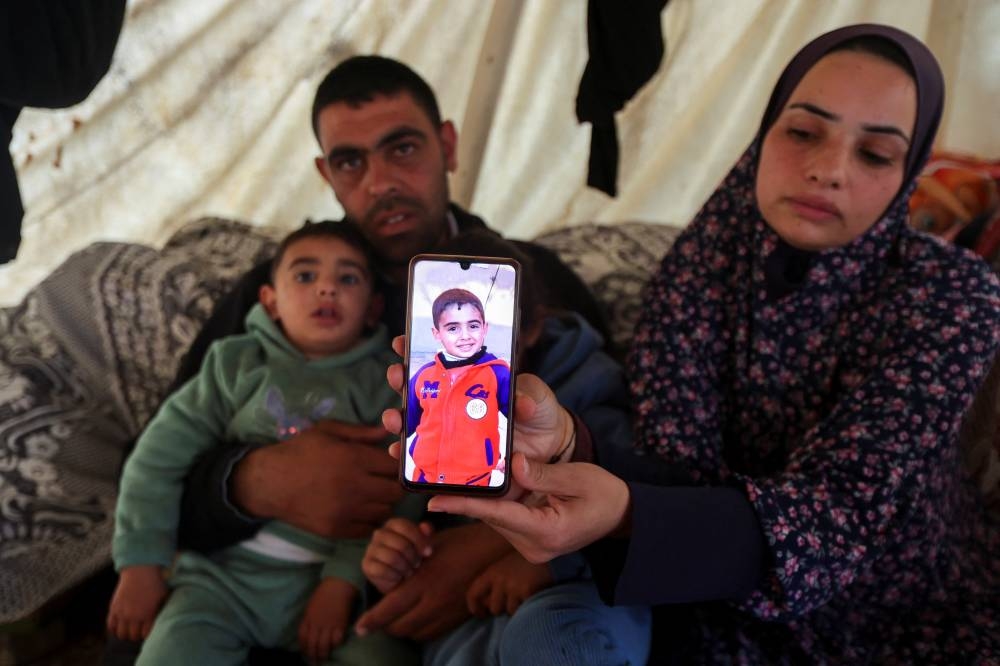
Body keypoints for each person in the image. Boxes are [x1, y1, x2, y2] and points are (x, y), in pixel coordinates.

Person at [421, 24, 1000, 662]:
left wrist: (628, 515)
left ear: (910, 169)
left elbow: (838, 518)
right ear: (766, 132)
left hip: (892, 625)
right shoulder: (701, 266)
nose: (827, 170)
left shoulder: (952, 297)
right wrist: (567, 446)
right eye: (803, 131)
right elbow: (676, 471)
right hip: (696, 604)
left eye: (876, 154)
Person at [107, 55, 609, 663]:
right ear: (325, 173)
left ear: (447, 144)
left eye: (402, 149)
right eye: (350, 162)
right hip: (242, 594)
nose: (380, 183)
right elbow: (157, 459)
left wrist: (489, 547)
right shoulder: (281, 291)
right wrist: (251, 480)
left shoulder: (528, 279)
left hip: (446, 609)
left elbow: (619, 445)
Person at [108, 221, 423, 665]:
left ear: (373, 310)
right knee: (173, 648)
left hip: (335, 589)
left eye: (347, 278)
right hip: (223, 581)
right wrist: (140, 564)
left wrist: (341, 583)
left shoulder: (388, 383)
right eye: (305, 276)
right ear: (270, 301)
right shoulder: (233, 364)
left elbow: (398, 497)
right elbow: (156, 458)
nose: (327, 289)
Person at [365, 230, 652, 666]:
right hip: (469, 610)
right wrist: (399, 551)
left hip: (579, 585)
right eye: (449, 326)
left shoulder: (591, 386)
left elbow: (639, 497)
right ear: (431, 331)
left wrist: (551, 564)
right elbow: (420, 510)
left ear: (533, 326)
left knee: (553, 640)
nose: (463, 337)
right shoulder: (424, 383)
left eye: (476, 324)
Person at [407, 288, 511, 486]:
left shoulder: (499, 373)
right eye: (453, 328)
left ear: (485, 328)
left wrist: (514, 454)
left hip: (476, 482)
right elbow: (405, 424)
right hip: (422, 479)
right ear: (436, 333)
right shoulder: (423, 376)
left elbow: (520, 424)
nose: (465, 336)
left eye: (473, 326)